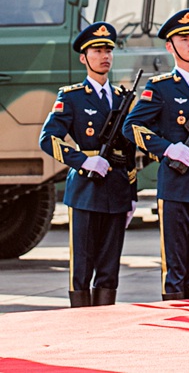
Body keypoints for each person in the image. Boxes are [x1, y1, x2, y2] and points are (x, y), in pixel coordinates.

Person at [123, 9, 189, 300]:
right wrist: (168, 148)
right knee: (176, 268)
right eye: (185, 38)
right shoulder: (161, 88)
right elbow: (131, 127)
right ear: (170, 47)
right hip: (177, 186)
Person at [39, 22, 137, 307]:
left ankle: (104, 323)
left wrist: (131, 194)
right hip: (86, 189)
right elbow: (48, 139)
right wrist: (83, 160)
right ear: (84, 58)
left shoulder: (122, 98)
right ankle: (80, 321)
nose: (104, 55)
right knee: (81, 265)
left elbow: (129, 151)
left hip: (116, 188)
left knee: (109, 267)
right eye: (97, 50)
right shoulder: (71, 96)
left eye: (108, 50)